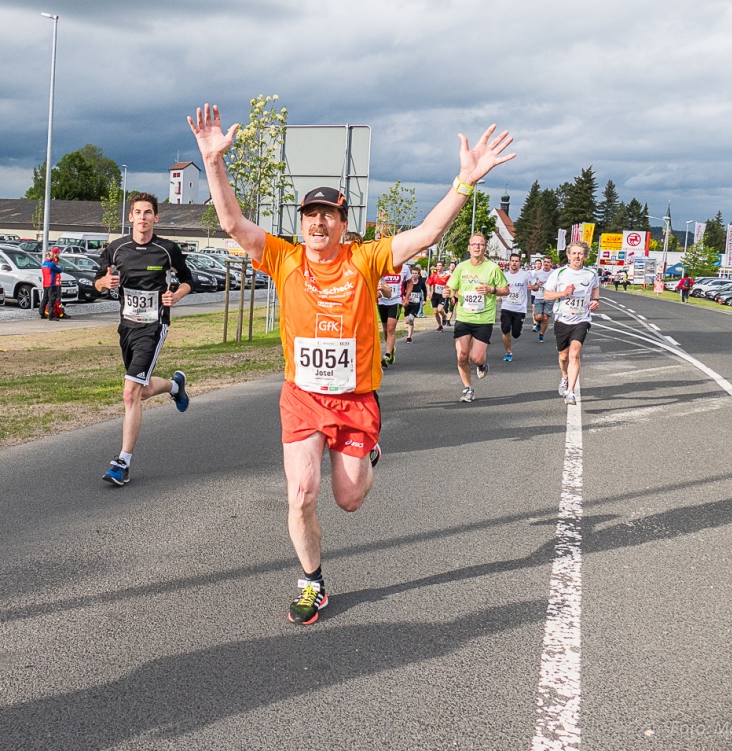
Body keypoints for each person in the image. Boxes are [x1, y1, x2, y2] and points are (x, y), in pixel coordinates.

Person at [189, 103, 515, 625]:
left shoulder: (366, 259)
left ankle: (368, 453)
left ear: (344, 223)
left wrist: (465, 181)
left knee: (349, 500)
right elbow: (232, 222)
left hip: (355, 399)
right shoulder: (282, 256)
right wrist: (213, 162)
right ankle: (312, 581)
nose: (319, 221)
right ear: (300, 224)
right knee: (301, 494)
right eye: (310, 215)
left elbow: (427, 235)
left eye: (330, 214)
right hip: (301, 397)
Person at [93, 192, 194, 486]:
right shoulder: (116, 249)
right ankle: (175, 386)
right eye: (138, 212)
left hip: (154, 326)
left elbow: (189, 280)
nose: (142, 217)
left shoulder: (166, 250)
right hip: (126, 326)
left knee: (129, 393)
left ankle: (122, 463)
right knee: (142, 389)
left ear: (156, 218)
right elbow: (97, 282)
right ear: (130, 217)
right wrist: (104, 283)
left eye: (148, 212)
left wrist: (176, 295)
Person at [446, 234, 509, 402]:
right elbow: (451, 288)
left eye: (481, 245)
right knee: (462, 355)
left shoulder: (493, 268)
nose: (477, 247)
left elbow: (505, 290)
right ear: (469, 248)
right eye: (474, 244)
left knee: (475, 357)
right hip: (464, 317)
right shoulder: (461, 268)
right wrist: (448, 292)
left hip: (483, 319)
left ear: (485, 248)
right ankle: (467, 388)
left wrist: (491, 290)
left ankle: (482, 364)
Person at [543, 241, 600, 406]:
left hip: (582, 319)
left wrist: (595, 301)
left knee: (574, 353)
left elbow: (595, 289)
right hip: (562, 319)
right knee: (563, 356)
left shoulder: (591, 274)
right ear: (568, 255)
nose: (577, 256)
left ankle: (570, 392)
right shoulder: (559, 273)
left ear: (585, 256)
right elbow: (547, 295)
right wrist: (563, 293)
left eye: (580, 253)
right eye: (574, 253)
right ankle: (565, 377)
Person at [377, 260, 410, 366]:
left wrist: (407, 297)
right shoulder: (382, 267)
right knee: (386, 329)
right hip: (382, 301)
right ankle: (391, 350)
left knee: (391, 328)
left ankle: (387, 354)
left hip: (395, 301)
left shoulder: (404, 268)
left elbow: (410, 282)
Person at [499, 252, 530, 362]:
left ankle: (518, 329)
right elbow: (499, 289)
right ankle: (508, 352)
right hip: (506, 307)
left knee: (515, 334)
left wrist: (534, 286)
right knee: (505, 329)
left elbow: (535, 286)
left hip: (520, 308)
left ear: (520, 263)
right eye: (512, 261)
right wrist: (498, 295)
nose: (514, 263)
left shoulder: (525, 275)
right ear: (509, 262)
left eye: (516, 261)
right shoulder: (504, 276)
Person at [529, 256, 555, 341]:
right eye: (545, 262)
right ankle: (538, 323)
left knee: (546, 317)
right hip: (539, 296)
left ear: (551, 264)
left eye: (548, 262)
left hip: (549, 297)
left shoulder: (554, 273)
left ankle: (541, 334)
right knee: (538, 317)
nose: (546, 263)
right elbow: (534, 287)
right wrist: (537, 284)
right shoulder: (537, 273)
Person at [39, 249, 69, 320]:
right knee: (51, 300)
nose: (53, 257)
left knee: (45, 299)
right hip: (51, 284)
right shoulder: (51, 264)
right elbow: (59, 270)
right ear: (50, 256)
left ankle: (42, 313)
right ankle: (51, 315)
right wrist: (58, 267)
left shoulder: (44, 264)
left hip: (45, 283)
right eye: (52, 256)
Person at [402, 265, 426, 343]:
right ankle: (409, 333)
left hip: (416, 304)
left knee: (411, 319)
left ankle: (409, 337)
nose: (414, 275)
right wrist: (405, 297)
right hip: (408, 304)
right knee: (406, 321)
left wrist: (424, 300)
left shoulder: (421, 283)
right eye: (412, 273)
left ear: (418, 275)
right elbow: (402, 291)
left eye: (416, 273)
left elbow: (424, 291)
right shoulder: (407, 282)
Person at [427, 260, 451, 332]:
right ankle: (440, 326)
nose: (438, 267)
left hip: (442, 295)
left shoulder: (447, 276)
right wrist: (429, 292)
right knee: (435, 312)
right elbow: (428, 284)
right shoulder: (434, 275)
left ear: (443, 267)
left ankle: (444, 315)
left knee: (440, 309)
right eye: (437, 266)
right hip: (435, 295)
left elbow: (451, 285)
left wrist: (449, 293)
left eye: (440, 266)